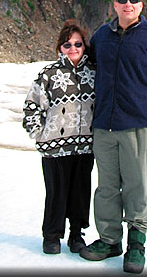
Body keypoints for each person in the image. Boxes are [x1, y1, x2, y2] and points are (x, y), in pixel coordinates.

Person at [80, 0, 147, 274]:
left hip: (139, 125)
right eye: (122, 0)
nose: (128, 5)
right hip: (104, 126)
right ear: (115, 4)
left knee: (137, 186)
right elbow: (88, 69)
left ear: (141, 5)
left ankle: (136, 246)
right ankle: (109, 241)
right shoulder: (102, 36)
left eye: (133, 0)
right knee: (107, 187)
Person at [23, 19, 95, 255]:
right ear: (59, 48)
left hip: (85, 146)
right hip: (54, 148)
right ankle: (51, 236)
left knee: (80, 191)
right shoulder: (49, 75)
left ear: (84, 46)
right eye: (67, 45)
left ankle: (77, 235)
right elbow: (32, 105)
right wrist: (39, 134)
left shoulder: (94, 73)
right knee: (56, 192)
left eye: (77, 44)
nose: (73, 48)